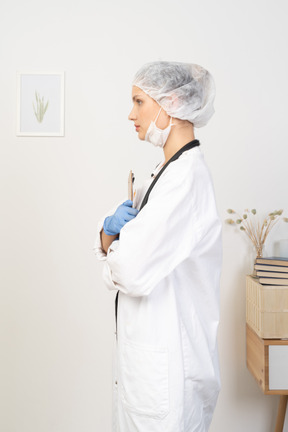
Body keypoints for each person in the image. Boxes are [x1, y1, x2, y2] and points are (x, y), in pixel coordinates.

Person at [94, 61, 222, 432]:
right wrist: (110, 232)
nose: (131, 114)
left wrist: (113, 248)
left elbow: (130, 271)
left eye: (139, 102)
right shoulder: (163, 172)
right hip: (148, 367)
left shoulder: (185, 180)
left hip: (169, 374)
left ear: (173, 103)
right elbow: (111, 241)